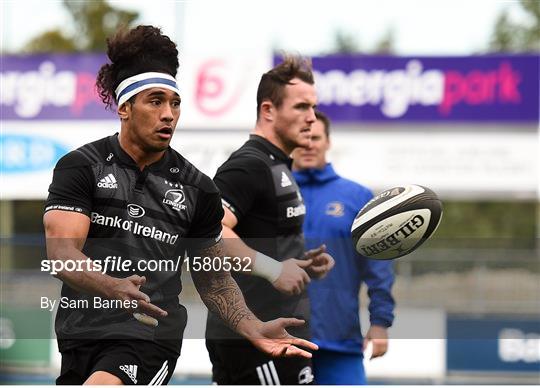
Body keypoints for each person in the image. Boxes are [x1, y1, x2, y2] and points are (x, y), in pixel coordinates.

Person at [43, 25, 317, 386]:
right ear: (125, 108)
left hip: (149, 336)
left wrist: (253, 326)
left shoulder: (197, 187)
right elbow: (62, 254)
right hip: (79, 333)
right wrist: (112, 286)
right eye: (155, 101)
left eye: (174, 103)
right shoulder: (81, 166)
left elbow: (214, 279)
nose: (169, 114)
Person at [205, 56, 335, 385]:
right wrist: (274, 269)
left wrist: (301, 265)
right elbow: (211, 232)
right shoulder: (249, 165)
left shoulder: (279, 166)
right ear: (268, 110)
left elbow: (262, 240)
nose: (312, 118)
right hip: (255, 342)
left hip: (283, 337)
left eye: (314, 108)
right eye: (301, 107)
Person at [292, 110, 395, 385]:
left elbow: (378, 267)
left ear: (328, 142)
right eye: (303, 137)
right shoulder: (271, 195)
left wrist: (380, 322)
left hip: (340, 341)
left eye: (316, 137)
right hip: (282, 342)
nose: (310, 144)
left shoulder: (357, 197)